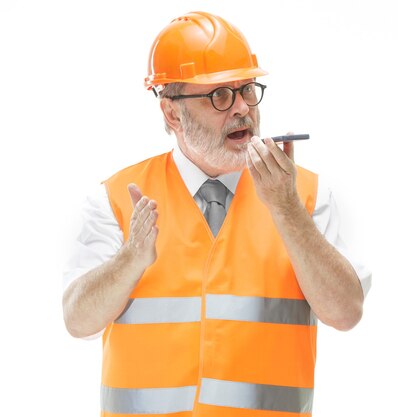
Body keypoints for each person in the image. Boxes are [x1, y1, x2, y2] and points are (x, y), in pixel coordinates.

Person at [62, 11, 371, 417]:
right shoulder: (118, 199)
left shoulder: (305, 195)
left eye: (247, 89)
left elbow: (346, 312)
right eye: (220, 95)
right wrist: (130, 259)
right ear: (172, 113)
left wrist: (287, 210)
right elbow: (77, 320)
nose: (243, 108)